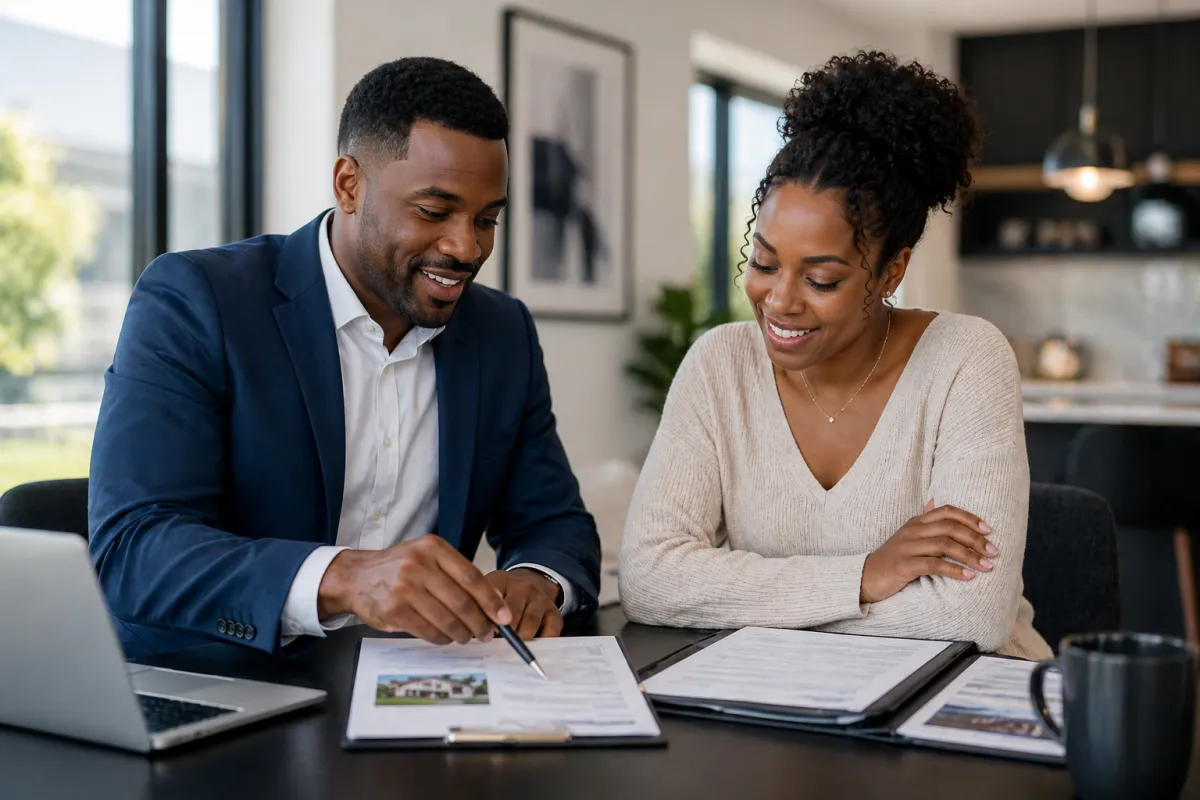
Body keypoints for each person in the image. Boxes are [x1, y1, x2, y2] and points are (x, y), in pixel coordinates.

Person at [89, 57, 600, 658]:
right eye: (434, 212)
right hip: (222, 680)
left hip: (419, 684)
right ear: (349, 185)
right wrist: (344, 578)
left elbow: (555, 523)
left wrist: (536, 581)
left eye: (486, 219)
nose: (467, 247)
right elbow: (134, 549)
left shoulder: (502, 332)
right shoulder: (197, 300)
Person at [619, 51, 1051, 660]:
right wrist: (864, 576)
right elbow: (650, 579)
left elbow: (971, 616)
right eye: (763, 262)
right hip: (787, 693)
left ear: (891, 271)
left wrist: (748, 599)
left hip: (963, 689)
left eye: (821, 280)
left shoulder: (965, 361)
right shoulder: (719, 365)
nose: (779, 301)